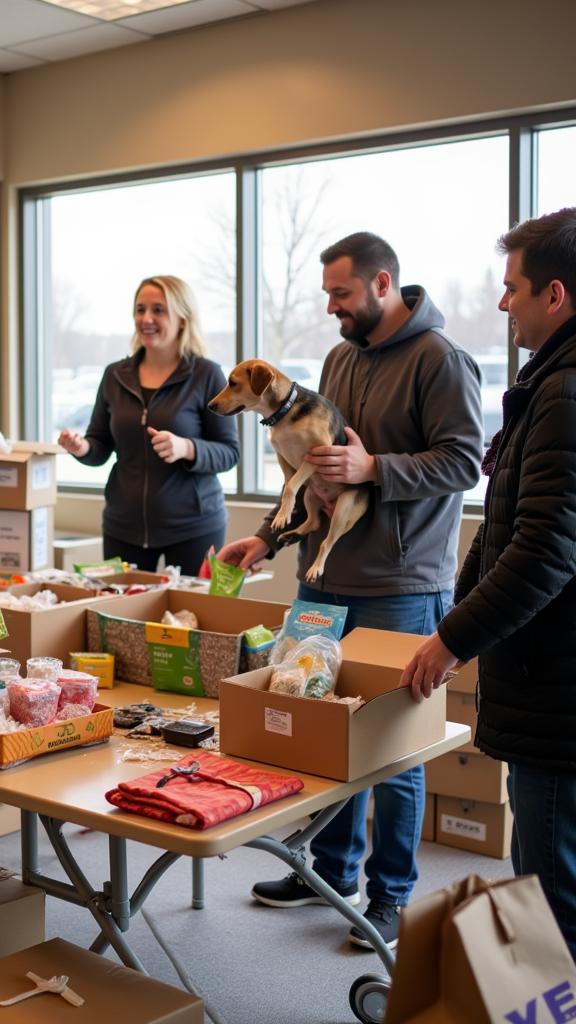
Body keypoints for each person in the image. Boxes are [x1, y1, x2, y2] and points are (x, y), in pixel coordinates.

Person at [219, 232, 483, 950]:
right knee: (315, 729)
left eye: (341, 294)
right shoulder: (340, 357)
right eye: (328, 294)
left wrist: (376, 471)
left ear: (382, 284)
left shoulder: (441, 360)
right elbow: (313, 465)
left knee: (393, 753)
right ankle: (321, 871)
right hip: (323, 576)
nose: (331, 307)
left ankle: (390, 896)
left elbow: (464, 464)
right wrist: (269, 538)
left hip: (402, 583)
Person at [402, 208, 576, 960]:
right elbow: (506, 528)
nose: (503, 304)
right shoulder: (550, 387)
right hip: (551, 681)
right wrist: (459, 615)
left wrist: (452, 639)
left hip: (559, 695)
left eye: (512, 290)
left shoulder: (566, 394)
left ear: (557, 294)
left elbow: (543, 550)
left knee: (547, 900)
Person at [57, 275, 239, 574]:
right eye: (140, 310)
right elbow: (99, 445)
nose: (146, 318)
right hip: (123, 527)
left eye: (158, 310)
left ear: (182, 318)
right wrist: (82, 447)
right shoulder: (115, 375)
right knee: (121, 619)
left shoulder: (207, 375)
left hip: (193, 527)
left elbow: (229, 452)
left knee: (192, 618)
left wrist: (187, 448)